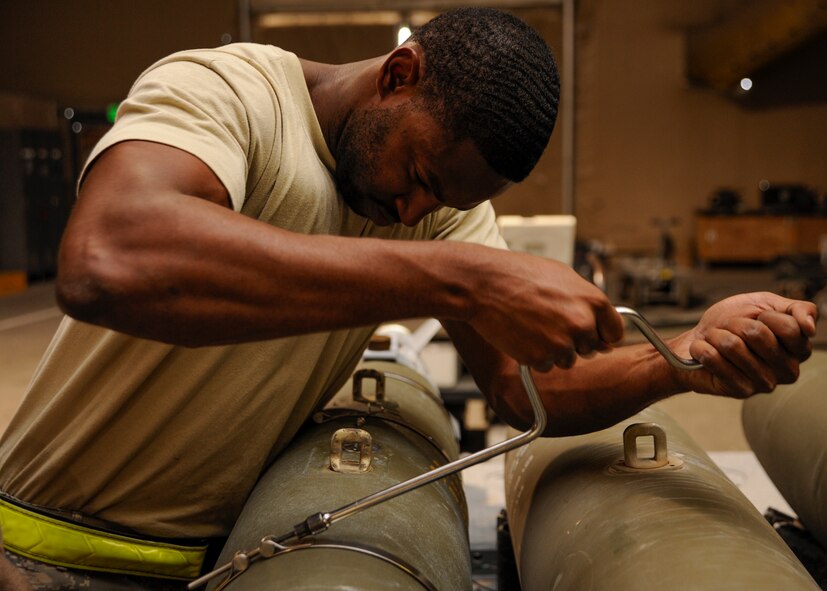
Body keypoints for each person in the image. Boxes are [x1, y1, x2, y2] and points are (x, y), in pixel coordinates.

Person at [0, 7, 816, 589]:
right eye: (419, 176)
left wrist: (684, 361)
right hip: (37, 548)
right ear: (398, 74)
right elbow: (107, 257)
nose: (411, 213)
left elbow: (523, 388)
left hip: (206, 560)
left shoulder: (446, 211)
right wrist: (461, 276)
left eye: (437, 204)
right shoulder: (235, 92)